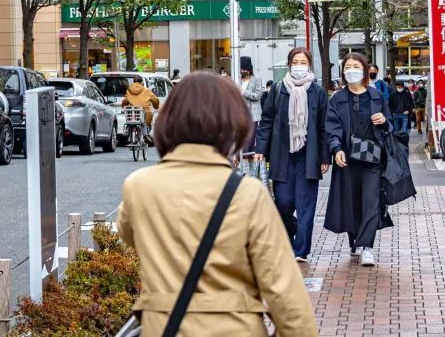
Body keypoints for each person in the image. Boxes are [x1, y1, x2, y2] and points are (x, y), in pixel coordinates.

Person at [119, 73, 319, 336]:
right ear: (232, 125)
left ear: (169, 121)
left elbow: (129, 237)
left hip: (164, 326)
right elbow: (284, 291)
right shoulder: (248, 194)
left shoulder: (139, 187)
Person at [254, 48, 329, 263]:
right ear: (289, 65)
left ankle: (301, 250)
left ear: (309, 64)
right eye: (295, 61)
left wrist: (325, 157)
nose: (299, 65)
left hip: (309, 156)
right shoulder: (278, 89)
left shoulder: (317, 91)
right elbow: (266, 121)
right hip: (282, 155)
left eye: (303, 61)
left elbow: (324, 126)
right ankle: (288, 238)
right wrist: (261, 149)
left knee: (306, 207)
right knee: (284, 202)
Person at [324, 53, 392, 267]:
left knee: (370, 202)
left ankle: (367, 247)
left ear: (364, 70)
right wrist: (336, 149)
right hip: (347, 158)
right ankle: (355, 241)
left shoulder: (376, 96)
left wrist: (383, 121)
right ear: (343, 72)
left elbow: (389, 123)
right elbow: (331, 127)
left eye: (356, 66)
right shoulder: (337, 98)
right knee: (351, 201)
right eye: (348, 67)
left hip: (372, 158)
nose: (351, 70)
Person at [240, 57, 266, 156]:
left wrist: (244, 92)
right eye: (241, 69)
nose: (242, 71)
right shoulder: (237, 78)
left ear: (249, 69)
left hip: (253, 115)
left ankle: (251, 164)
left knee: (251, 143)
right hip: (241, 115)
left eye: (245, 69)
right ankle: (242, 161)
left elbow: (258, 95)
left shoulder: (256, 79)